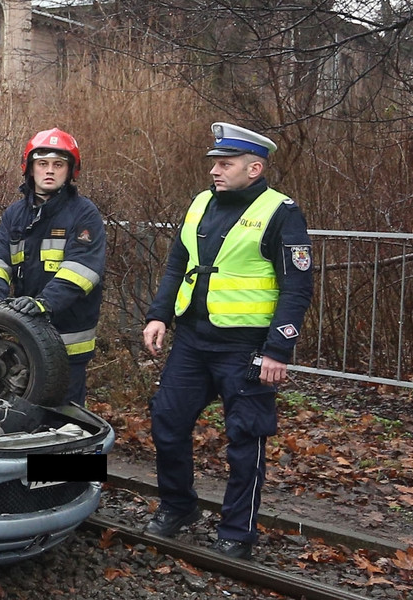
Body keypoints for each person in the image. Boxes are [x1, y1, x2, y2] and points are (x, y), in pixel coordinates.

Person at [141, 123, 314, 560]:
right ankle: (178, 507)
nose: (215, 171)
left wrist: (279, 349)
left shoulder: (281, 212)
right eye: (214, 163)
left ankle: (237, 531)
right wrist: (159, 313)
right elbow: (177, 262)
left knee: (246, 440)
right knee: (167, 423)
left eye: (226, 163)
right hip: (193, 341)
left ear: (254, 168)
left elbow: (297, 285)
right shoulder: (201, 203)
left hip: (246, 347)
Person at [0, 128, 106, 407]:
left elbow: (82, 270)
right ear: (29, 168)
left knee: (65, 421)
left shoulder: (84, 213)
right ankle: (31, 454)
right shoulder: (16, 214)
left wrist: (44, 303)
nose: (49, 171)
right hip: (27, 341)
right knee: (28, 415)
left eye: (58, 165)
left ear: (70, 171)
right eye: (42, 163)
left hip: (68, 342)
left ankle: (72, 453)